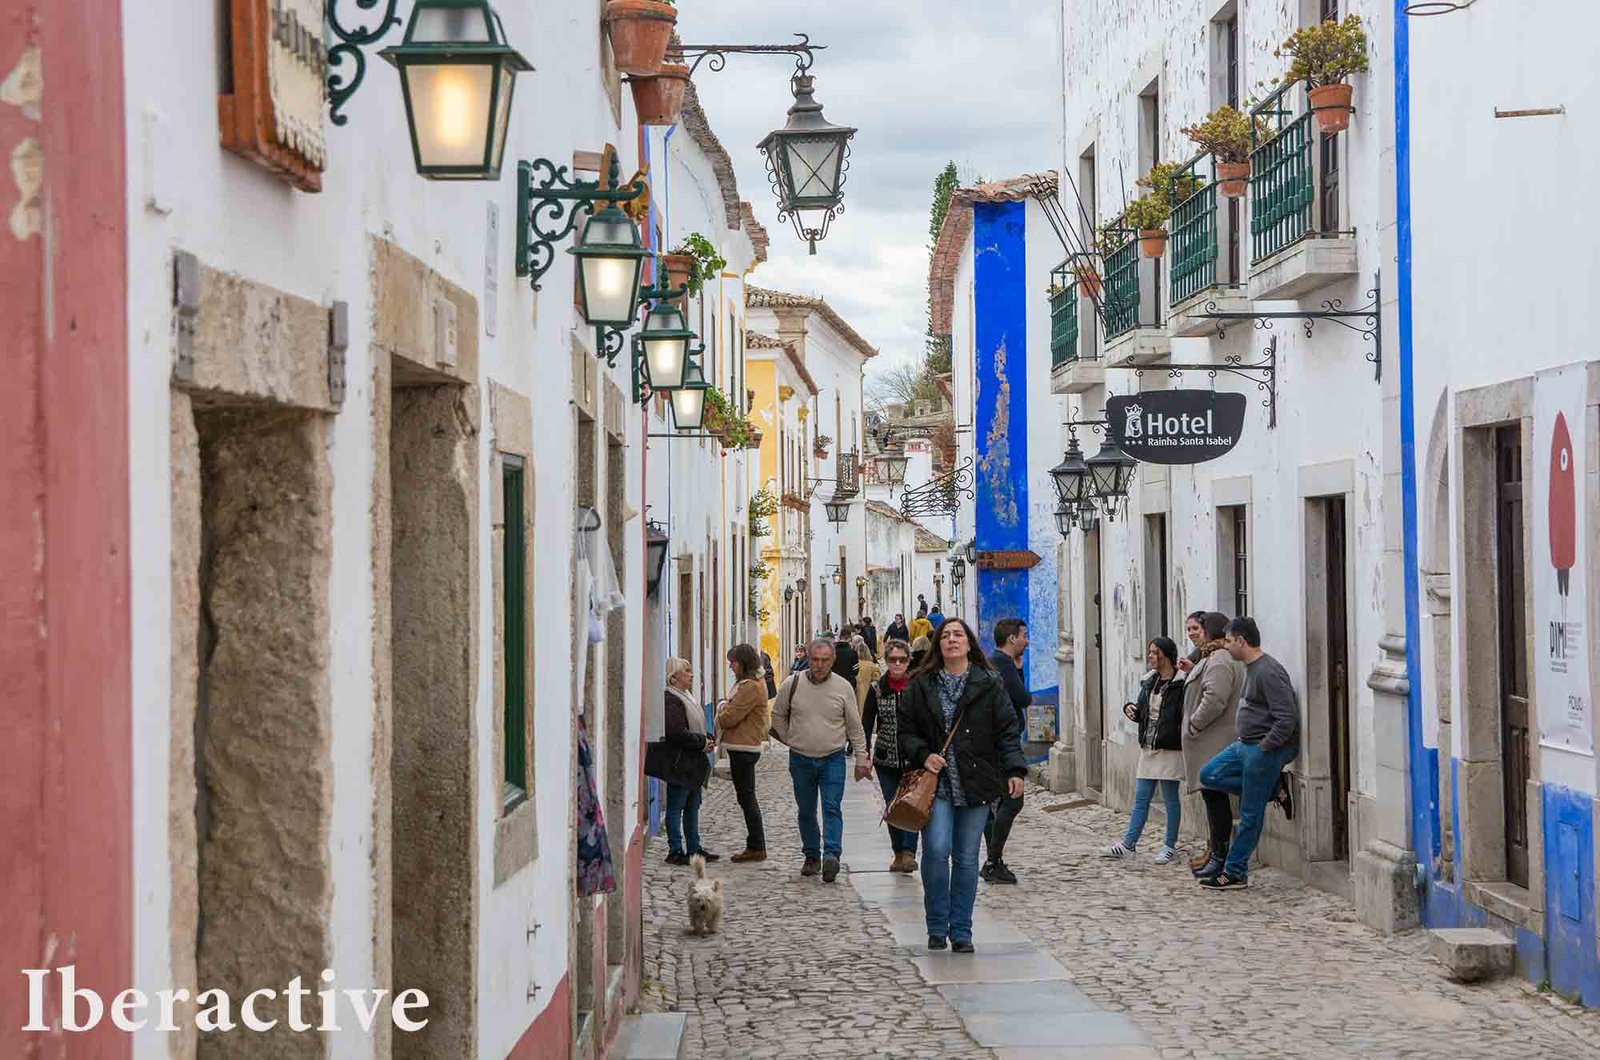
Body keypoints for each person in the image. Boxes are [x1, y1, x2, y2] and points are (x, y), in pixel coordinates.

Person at [898, 619, 1026, 954]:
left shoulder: (989, 683)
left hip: (977, 781)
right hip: (937, 784)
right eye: (946, 636)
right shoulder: (921, 684)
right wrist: (924, 755)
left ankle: (962, 931)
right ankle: (937, 925)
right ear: (938, 645)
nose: (952, 640)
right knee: (938, 849)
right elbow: (905, 731)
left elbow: (1007, 730)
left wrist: (1014, 770)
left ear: (969, 644)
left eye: (958, 635)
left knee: (967, 858)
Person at [1197, 617, 1300, 889]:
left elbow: (1286, 719)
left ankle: (1235, 871)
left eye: (1229, 641)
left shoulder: (1268, 671)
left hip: (1262, 749)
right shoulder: (1249, 668)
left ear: (1241, 641)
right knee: (1208, 775)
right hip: (1244, 744)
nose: (1226, 646)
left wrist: (1264, 748)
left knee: (1249, 815)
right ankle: (1270, 789)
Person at [770, 639, 870, 883]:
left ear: (833, 661)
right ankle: (812, 855)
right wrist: (790, 739)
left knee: (831, 807)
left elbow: (855, 725)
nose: (819, 665)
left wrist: (861, 757)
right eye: (815, 659)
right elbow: (778, 716)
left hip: (832, 758)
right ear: (808, 658)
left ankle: (832, 856)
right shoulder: (791, 684)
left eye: (825, 660)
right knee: (806, 810)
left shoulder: (843, 687)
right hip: (801, 758)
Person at [1101, 638, 1187, 863]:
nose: (1149, 656)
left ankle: (1169, 846)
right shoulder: (1149, 681)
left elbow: (1183, 715)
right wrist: (1132, 710)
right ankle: (1129, 844)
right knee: (1141, 797)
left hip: (1169, 747)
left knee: (1170, 799)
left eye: (1154, 652)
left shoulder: (1181, 683)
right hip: (1148, 746)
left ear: (1166, 656)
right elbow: (1142, 710)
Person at [1181, 612, 1247, 878]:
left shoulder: (1219, 659)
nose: (1196, 634)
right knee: (1212, 798)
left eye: (1201, 629)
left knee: (1215, 798)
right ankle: (1214, 852)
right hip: (1211, 739)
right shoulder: (1213, 656)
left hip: (1213, 739)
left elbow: (1215, 699)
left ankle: (1220, 856)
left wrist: (1194, 724)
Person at [646, 659, 717, 866]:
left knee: (693, 806)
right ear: (674, 676)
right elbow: (676, 732)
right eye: (686, 671)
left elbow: (697, 726)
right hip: (680, 762)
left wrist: (707, 738)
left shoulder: (686, 697)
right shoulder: (670, 699)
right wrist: (702, 742)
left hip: (693, 762)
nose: (691, 674)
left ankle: (695, 848)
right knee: (676, 806)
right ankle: (675, 849)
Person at [981, 618, 1031, 884]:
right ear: (1012, 638)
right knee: (1012, 800)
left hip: (997, 742)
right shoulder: (1002, 663)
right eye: (1024, 635)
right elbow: (1024, 698)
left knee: (997, 803)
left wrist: (1019, 669)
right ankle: (992, 860)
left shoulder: (998, 663)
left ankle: (993, 860)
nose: (1027, 640)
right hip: (1002, 744)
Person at [865, 639, 918, 873]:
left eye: (902, 659)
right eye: (893, 659)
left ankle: (909, 853)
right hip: (886, 758)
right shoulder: (877, 688)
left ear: (908, 661)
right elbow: (867, 722)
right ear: (886, 661)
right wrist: (864, 752)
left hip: (914, 758)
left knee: (911, 806)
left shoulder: (917, 687)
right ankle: (898, 852)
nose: (897, 663)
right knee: (892, 806)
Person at [717, 644, 772, 863]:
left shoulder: (750, 686)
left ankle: (756, 845)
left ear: (744, 662)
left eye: (733, 662)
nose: (730, 666)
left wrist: (721, 710)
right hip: (742, 746)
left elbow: (730, 717)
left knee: (747, 797)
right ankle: (755, 844)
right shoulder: (751, 684)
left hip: (744, 747)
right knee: (745, 796)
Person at [851, 634, 879, 743]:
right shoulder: (872, 665)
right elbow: (877, 680)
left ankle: (853, 743)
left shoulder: (855, 664)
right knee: (866, 721)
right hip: (868, 695)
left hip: (856, 694)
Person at [1176, 610, 1208, 674]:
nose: (1190, 633)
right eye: (1188, 629)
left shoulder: (1217, 654)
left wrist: (1193, 669)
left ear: (1206, 629)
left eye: (1195, 628)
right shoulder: (1195, 655)